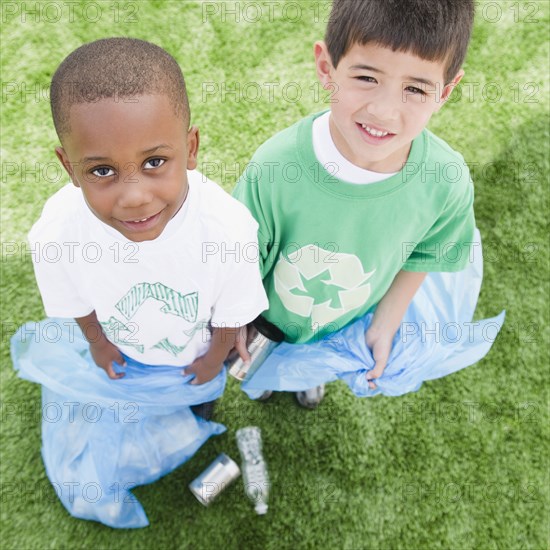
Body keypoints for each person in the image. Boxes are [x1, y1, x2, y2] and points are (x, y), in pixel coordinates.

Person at [10, 37, 267, 528]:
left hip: (194, 354)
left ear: (189, 149)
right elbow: (76, 301)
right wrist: (100, 345)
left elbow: (234, 313)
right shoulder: (58, 233)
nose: (133, 196)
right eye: (102, 170)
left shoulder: (228, 230)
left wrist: (213, 358)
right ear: (69, 168)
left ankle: (192, 419)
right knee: (135, 404)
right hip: (126, 351)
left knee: (195, 401)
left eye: (155, 162)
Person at [233, 0, 503, 407]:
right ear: (327, 69)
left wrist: (388, 317)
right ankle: (270, 376)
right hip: (268, 318)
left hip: (347, 317)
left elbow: (430, 252)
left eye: (415, 88)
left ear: (445, 92)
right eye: (366, 77)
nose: (384, 111)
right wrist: (235, 318)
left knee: (311, 363)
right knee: (262, 364)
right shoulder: (276, 168)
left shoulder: (444, 180)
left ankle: (308, 375)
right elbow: (239, 258)